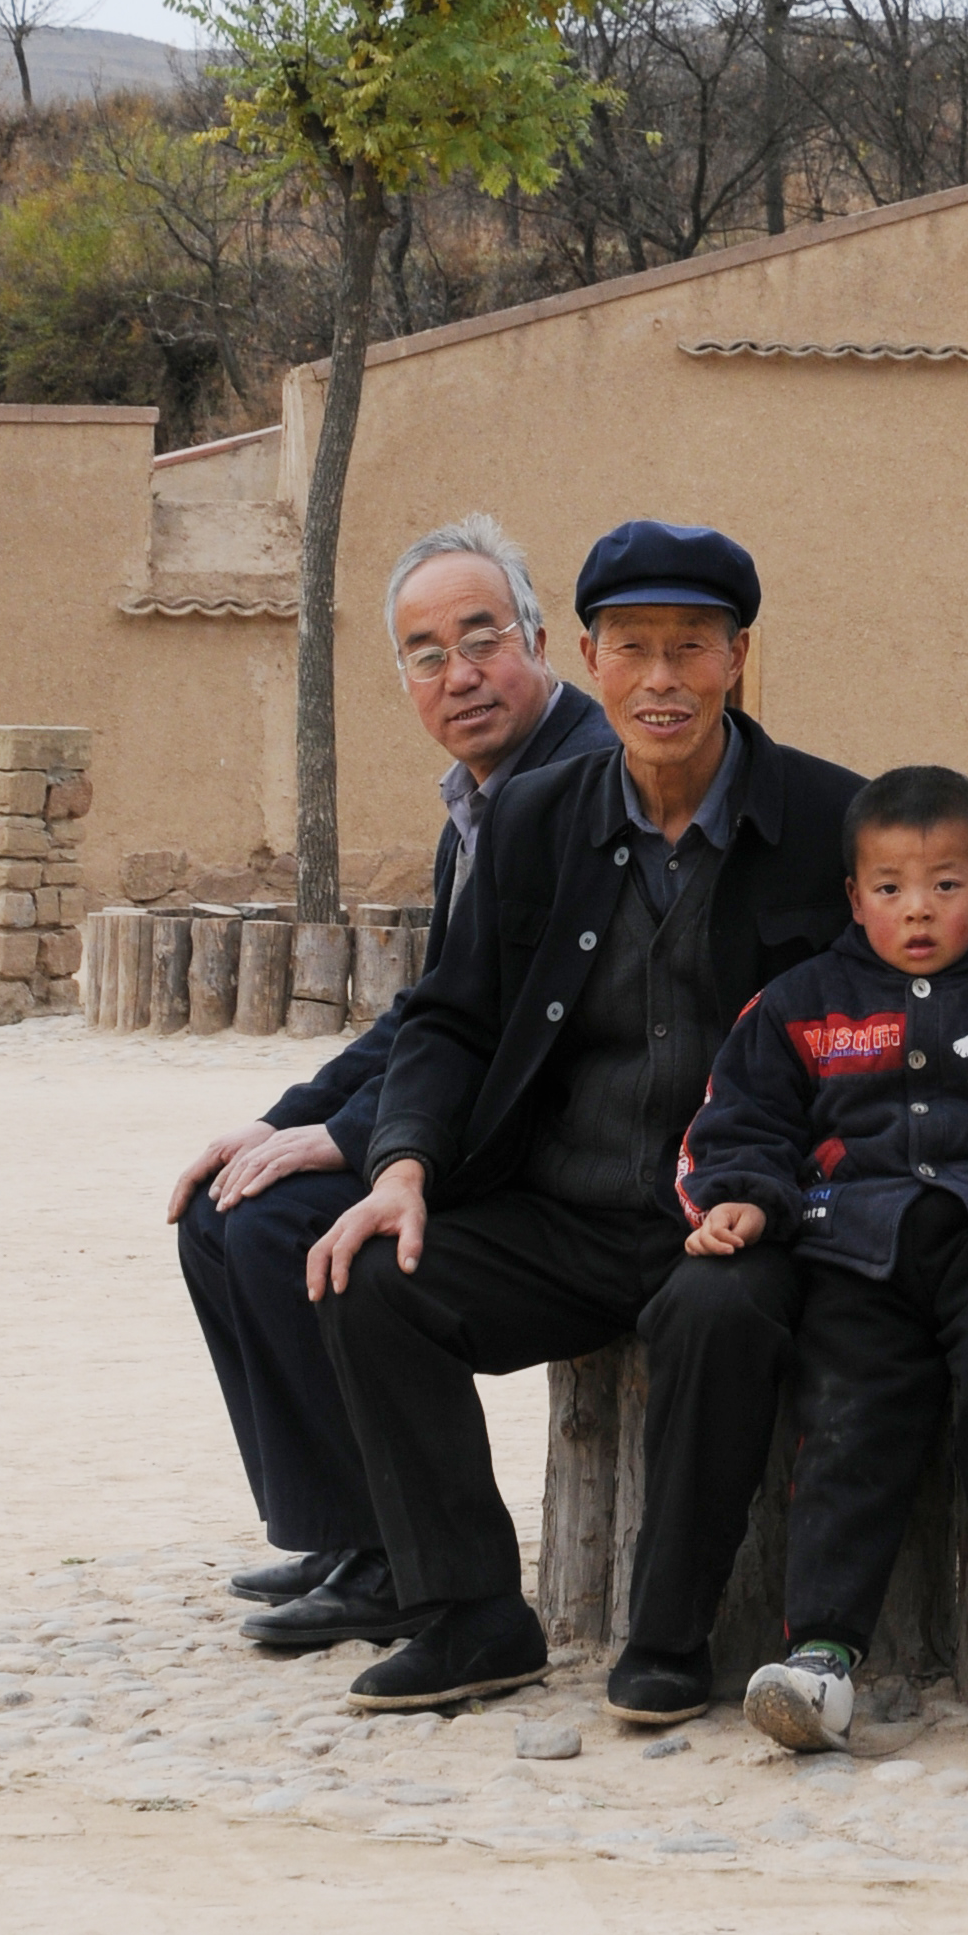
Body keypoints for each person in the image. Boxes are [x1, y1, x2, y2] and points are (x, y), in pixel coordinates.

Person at [302, 519, 862, 1726]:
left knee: (721, 1315)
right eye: (634, 650)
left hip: (729, 1217)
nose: (662, 681)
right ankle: (468, 1616)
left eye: (691, 650)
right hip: (557, 1208)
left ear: (738, 658)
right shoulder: (532, 820)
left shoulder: (831, 823)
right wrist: (399, 1169)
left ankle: (666, 1639)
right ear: (590, 660)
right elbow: (449, 1021)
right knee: (369, 1273)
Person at [165, 517, 602, 1656]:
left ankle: (389, 1554)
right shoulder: (480, 793)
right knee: (222, 1210)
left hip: (540, 1149)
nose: (458, 675)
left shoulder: (574, 788)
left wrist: (352, 1141)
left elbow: (511, 1036)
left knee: (282, 1227)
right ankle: (340, 1532)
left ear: (539, 639)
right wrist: (288, 1117)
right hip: (460, 1120)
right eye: (424, 653)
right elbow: (430, 1008)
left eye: (481, 638)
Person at [677, 761, 968, 1755]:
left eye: (945, 884)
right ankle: (822, 1658)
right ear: (853, 895)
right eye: (888, 887)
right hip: (852, 1256)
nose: (916, 910)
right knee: (844, 1422)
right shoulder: (801, 1006)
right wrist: (743, 1202)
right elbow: (737, 1121)